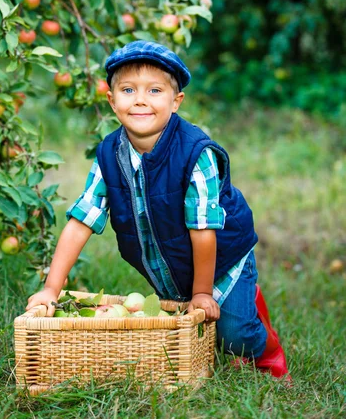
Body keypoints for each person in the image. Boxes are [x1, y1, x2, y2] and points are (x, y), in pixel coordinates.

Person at [26, 40, 290, 380]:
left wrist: (201, 293)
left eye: (154, 90)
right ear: (111, 100)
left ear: (175, 101)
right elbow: (82, 220)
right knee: (183, 332)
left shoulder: (196, 154)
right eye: (128, 90)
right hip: (171, 262)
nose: (140, 99)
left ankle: (265, 344)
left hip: (222, 258)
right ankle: (216, 306)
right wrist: (51, 288)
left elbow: (203, 229)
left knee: (235, 336)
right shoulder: (109, 155)